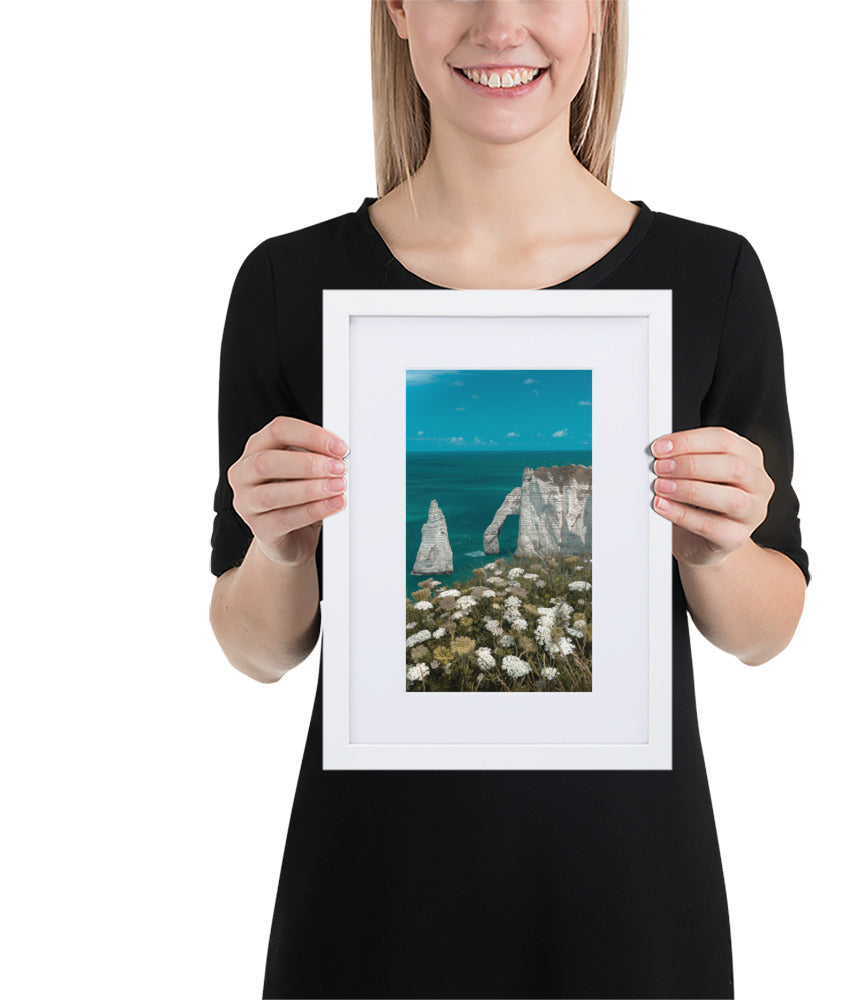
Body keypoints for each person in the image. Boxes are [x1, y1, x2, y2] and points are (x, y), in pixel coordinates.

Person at [209, 1, 810, 996]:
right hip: (370, 907)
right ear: (398, 11)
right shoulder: (288, 284)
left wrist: (716, 550)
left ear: (601, 16)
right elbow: (255, 646)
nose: (501, 23)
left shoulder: (712, 279)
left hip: (629, 906)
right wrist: (279, 548)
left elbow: (765, 629)